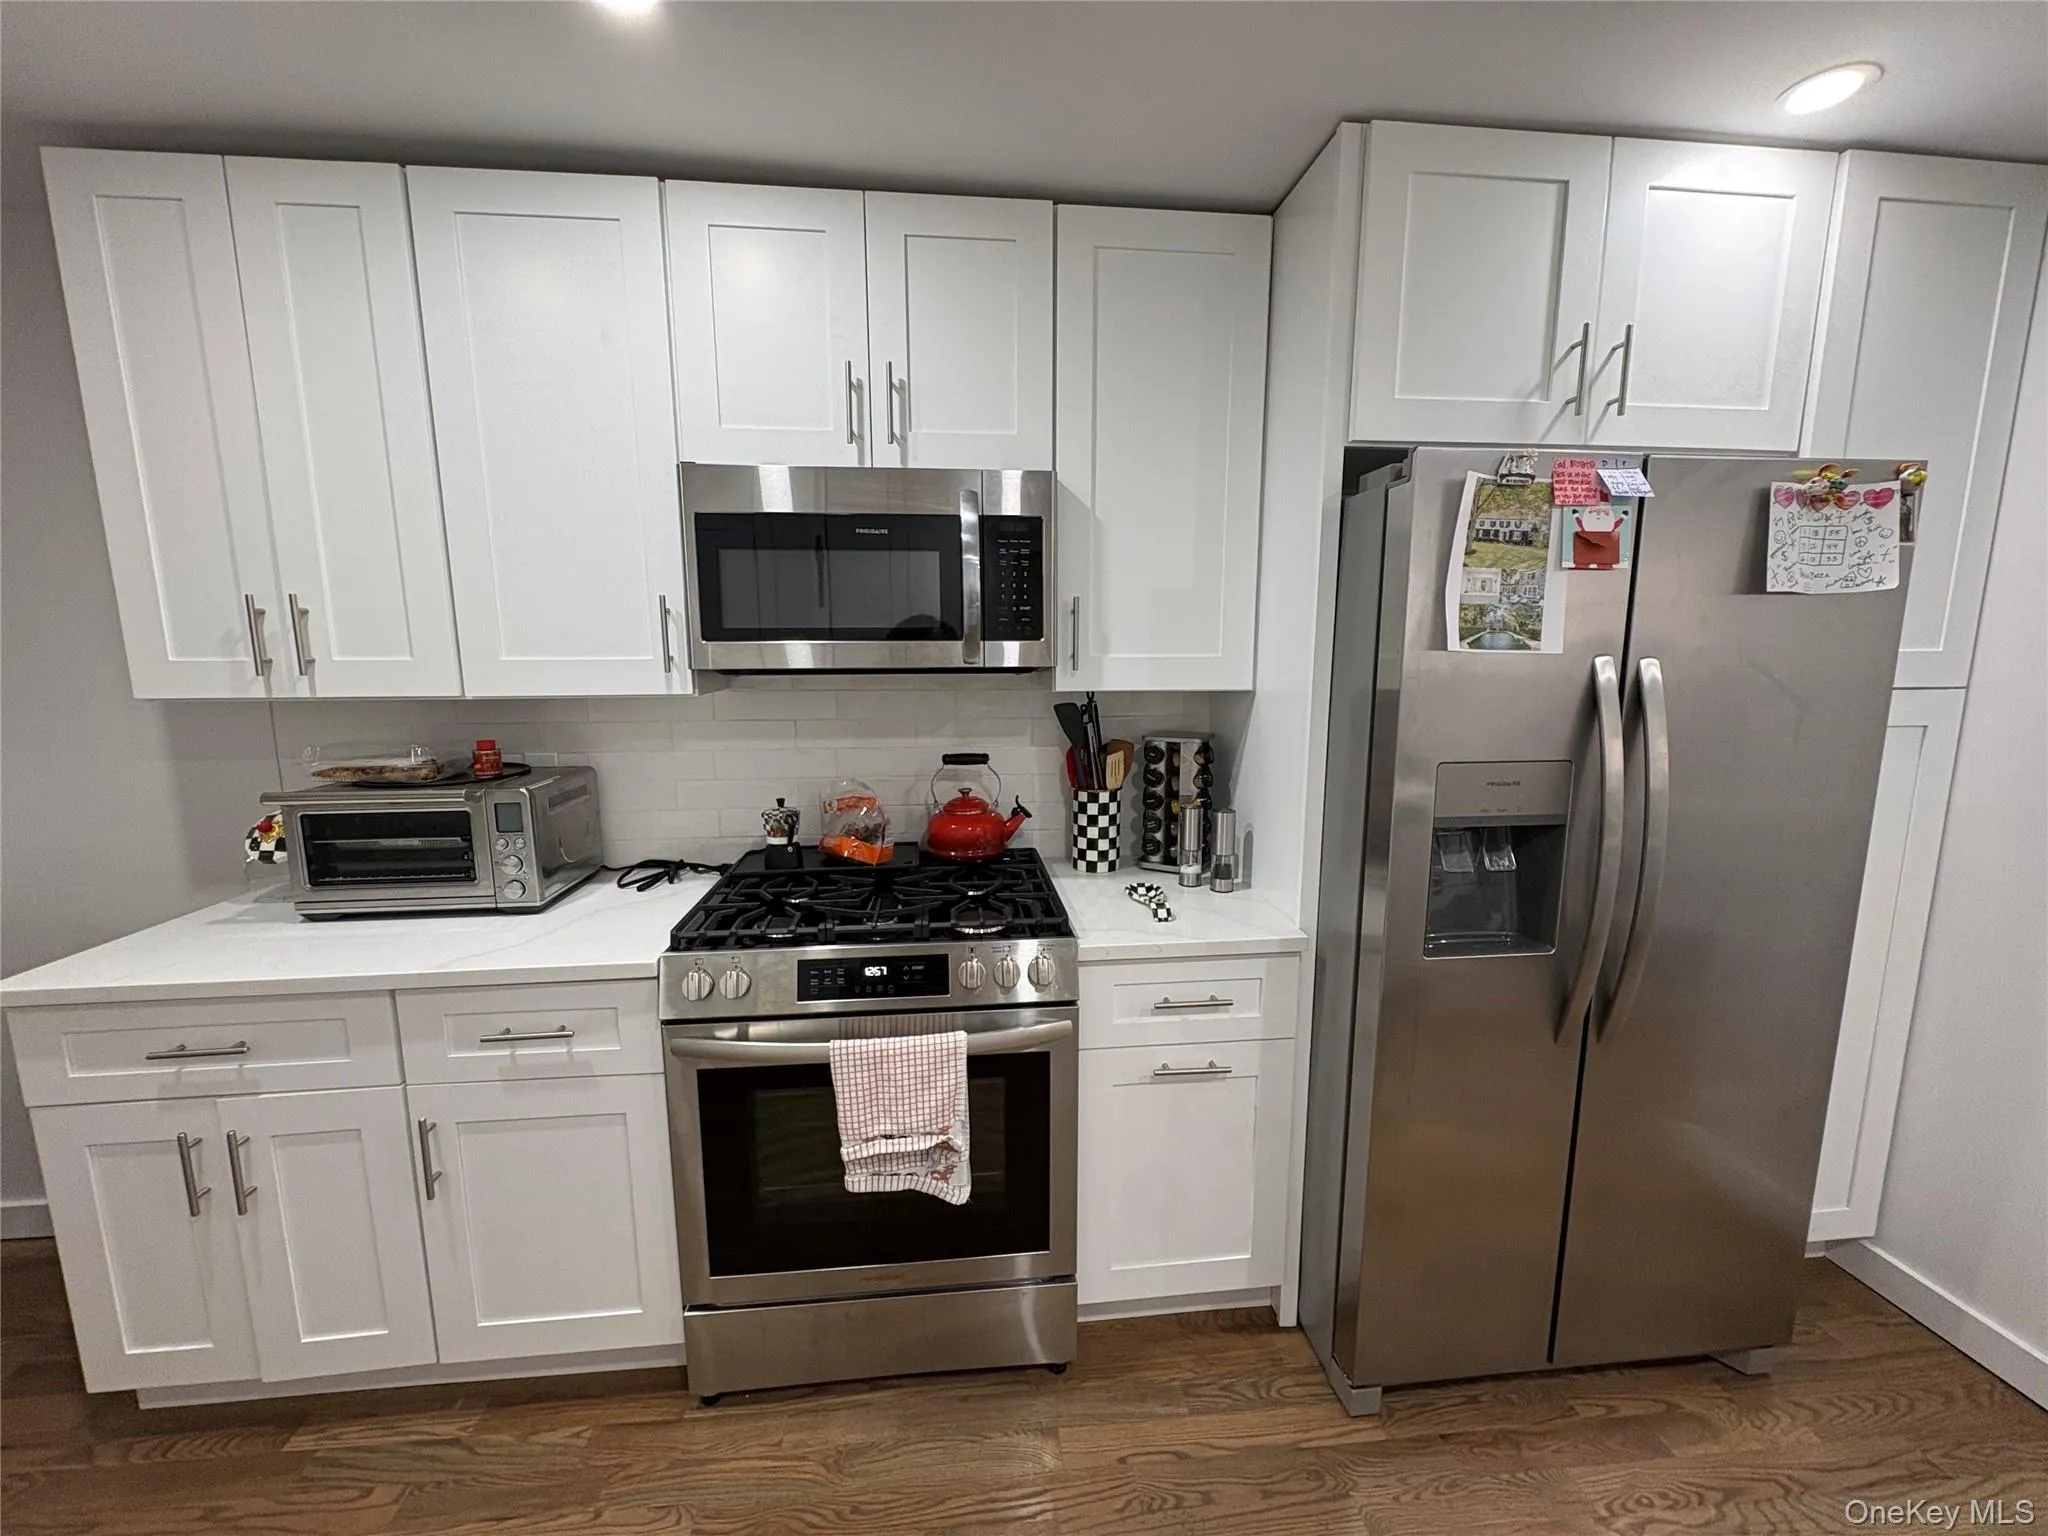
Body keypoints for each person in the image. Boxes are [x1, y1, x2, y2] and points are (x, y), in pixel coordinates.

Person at [1466, 606, 1532, 650]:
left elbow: (1499, 620)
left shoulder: (1498, 617)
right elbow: (1493, 621)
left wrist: (1498, 622)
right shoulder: (1494, 617)